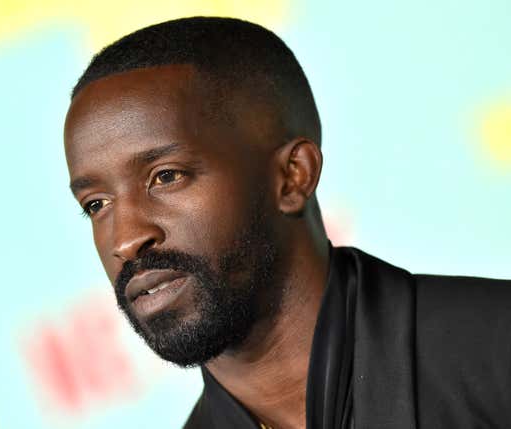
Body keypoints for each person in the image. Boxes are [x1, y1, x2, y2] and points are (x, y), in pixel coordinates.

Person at [62, 17, 511, 429]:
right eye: (96, 204)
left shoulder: (493, 348)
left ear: (292, 176)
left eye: (166, 177)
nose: (126, 240)